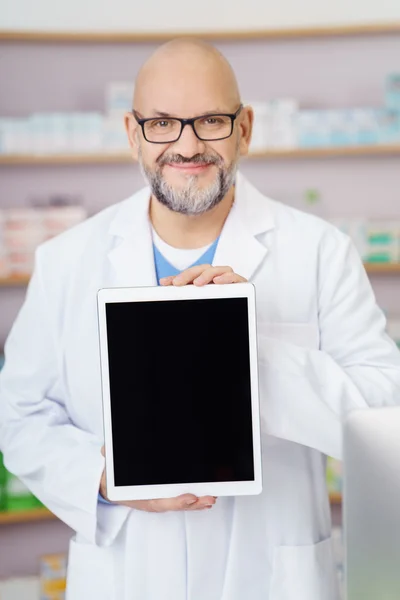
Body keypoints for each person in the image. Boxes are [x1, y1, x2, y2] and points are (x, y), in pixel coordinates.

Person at [1, 38, 400, 600]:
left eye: (211, 120)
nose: (187, 144)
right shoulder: (67, 260)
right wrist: (102, 479)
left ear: (245, 129)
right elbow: (18, 416)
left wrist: (246, 352)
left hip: (269, 575)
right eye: (162, 123)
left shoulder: (319, 251)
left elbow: (384, 422)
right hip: (127, 571)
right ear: (133, 134)